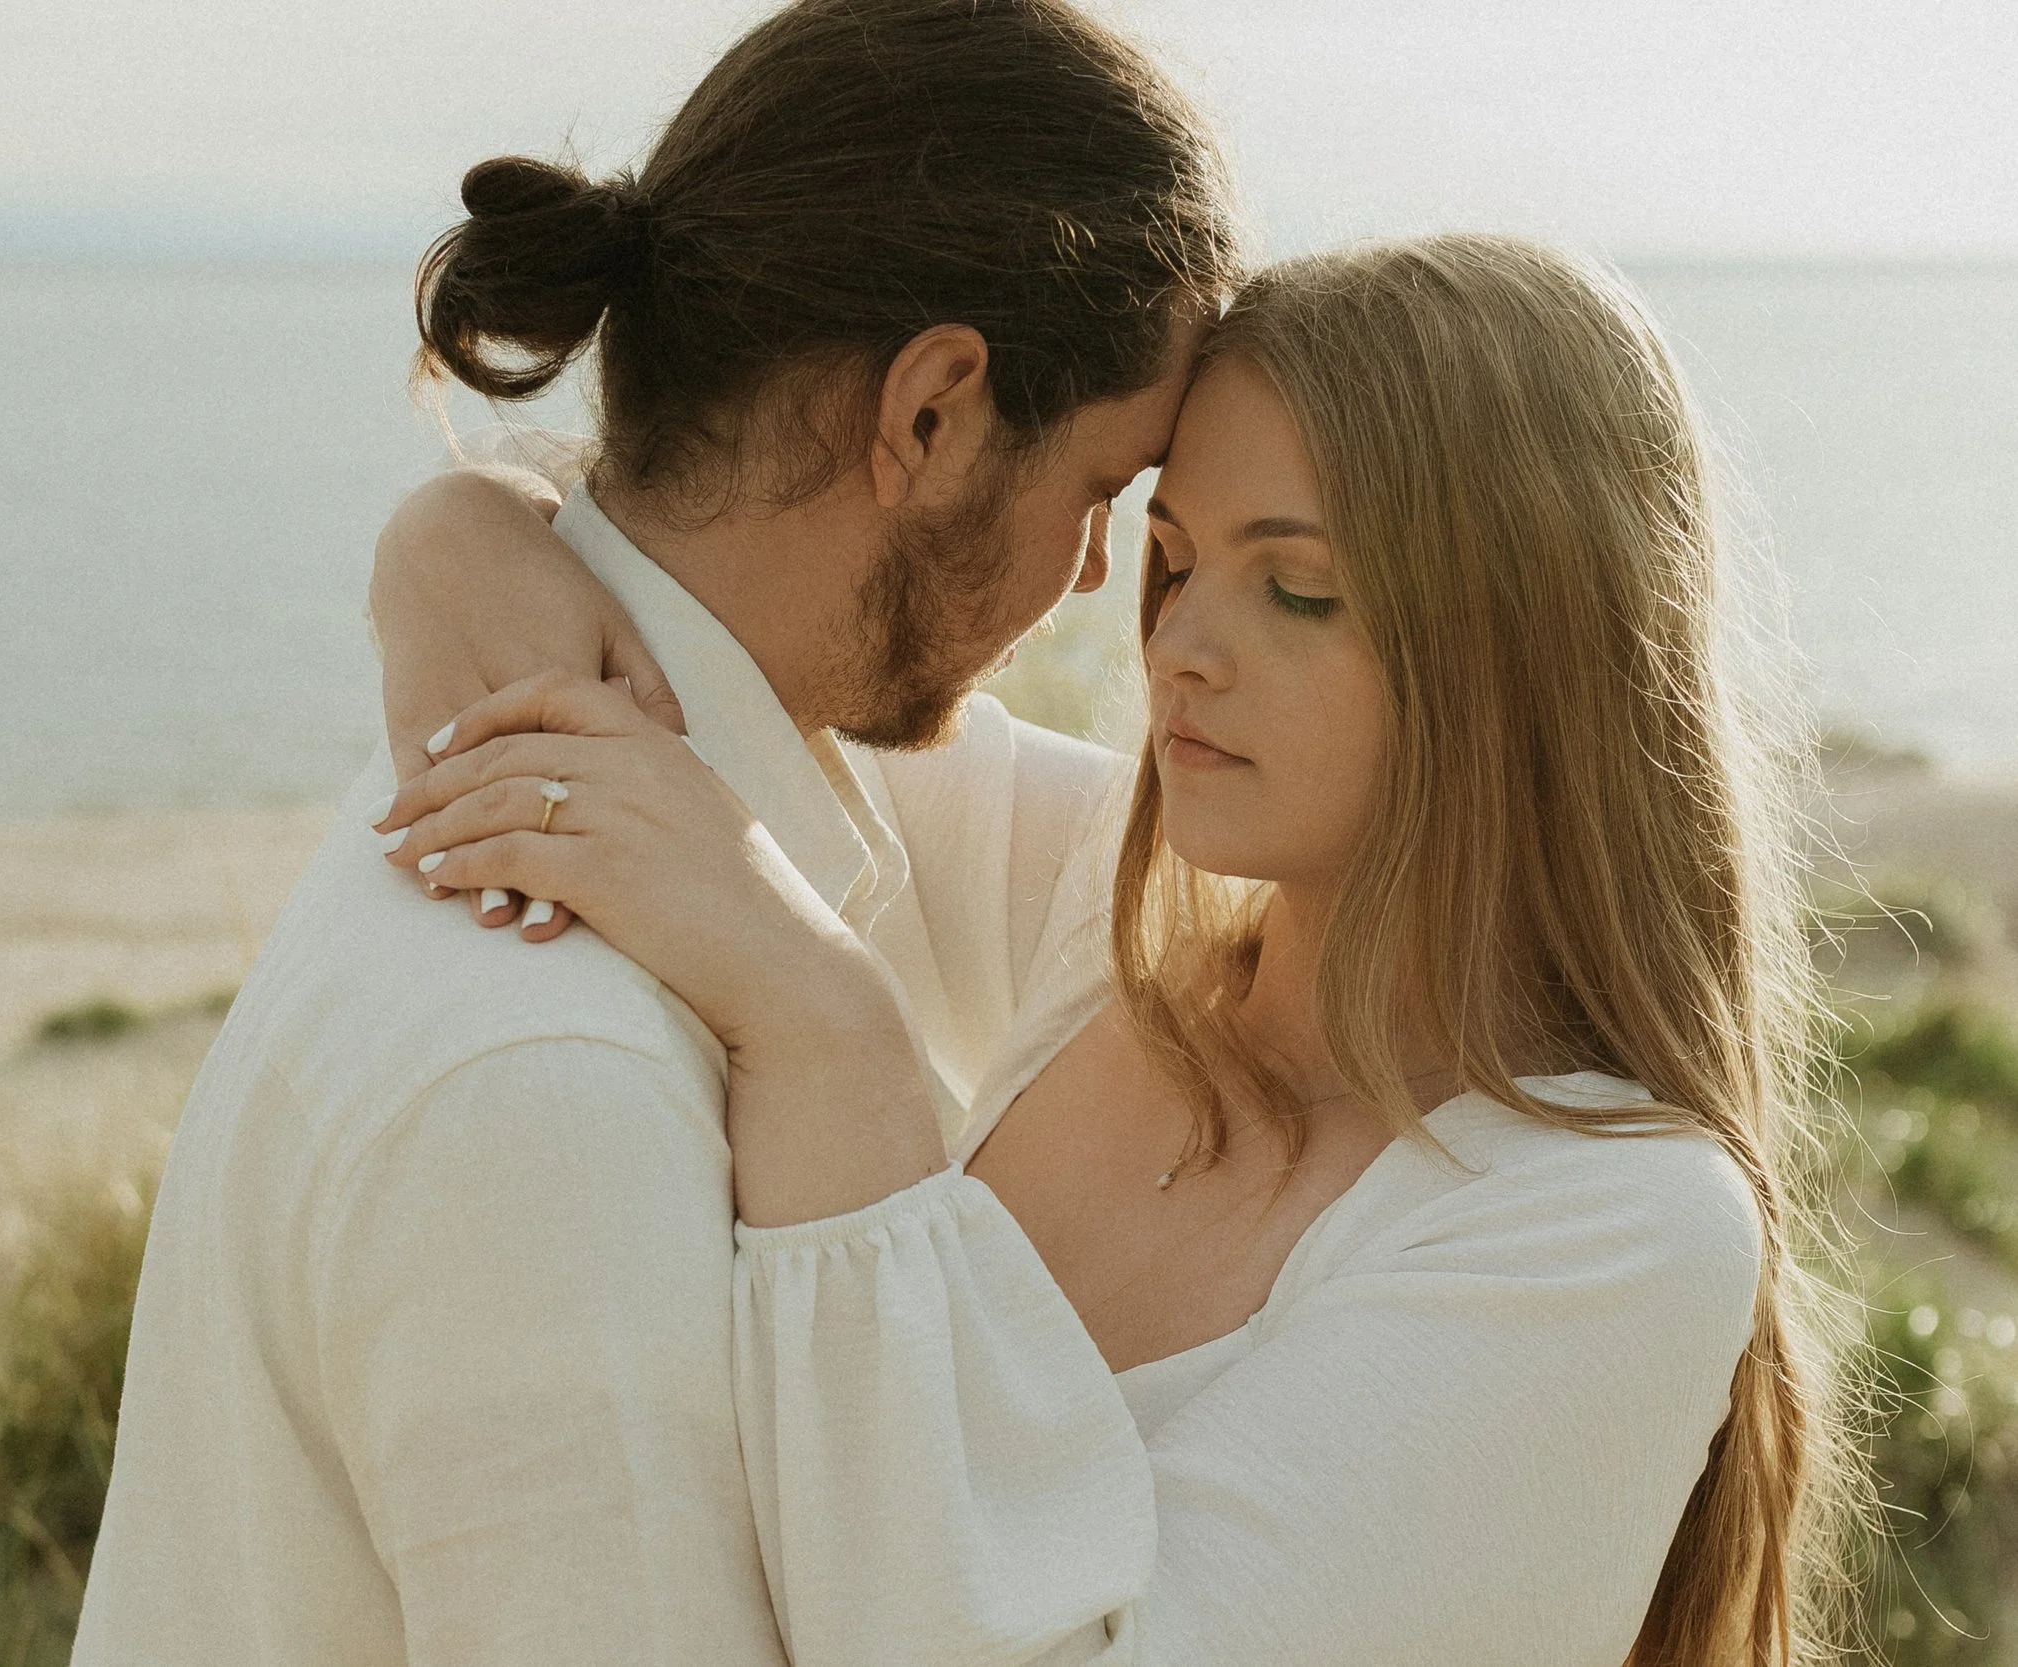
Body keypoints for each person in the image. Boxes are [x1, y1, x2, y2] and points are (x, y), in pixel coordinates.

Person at [365, 236, 1867, 1664]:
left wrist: (834, 1038)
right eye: (1173, 556)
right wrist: (463, 531)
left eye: (1298, 585)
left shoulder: (1610, 1221)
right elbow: (720, 617)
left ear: (1528, 638)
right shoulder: (1115, 911)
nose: (1181, 646)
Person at [70, 1, 1238, 1662]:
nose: (1091, 577)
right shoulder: (559, 1079)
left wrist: (471, 508)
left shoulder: (618, 788)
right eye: (1103, 491)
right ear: (929, 414)